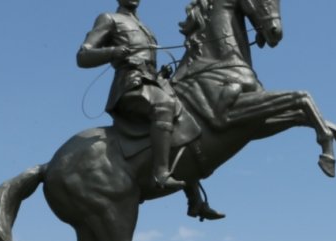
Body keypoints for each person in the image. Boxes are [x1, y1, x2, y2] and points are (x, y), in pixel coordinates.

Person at [78, 0, 225, 221]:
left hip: (151, 83)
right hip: (130, 86)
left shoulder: (144, 27)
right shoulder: (109, 19)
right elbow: (83, 56)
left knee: (185, 114)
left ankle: (194, 200)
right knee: (164, 107)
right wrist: (113, 51)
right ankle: (161, 174)